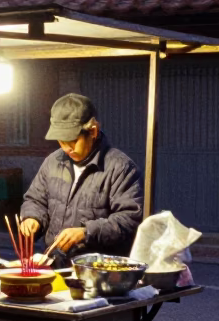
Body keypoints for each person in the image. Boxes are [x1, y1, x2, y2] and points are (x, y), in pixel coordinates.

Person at [18, 93, 144, 265]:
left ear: (93, 131)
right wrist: (32, 218)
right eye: (61, 141)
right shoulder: (52, 162)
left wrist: (86, 232)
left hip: (98, 272)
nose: (67, 148)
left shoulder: (121, 168)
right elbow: (35, 200)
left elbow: (129, 220)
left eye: (73, 141)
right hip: (54, 266)